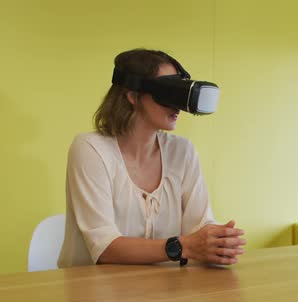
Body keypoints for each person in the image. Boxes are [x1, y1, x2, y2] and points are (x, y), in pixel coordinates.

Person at [58, 49, 246, 268]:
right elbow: (105, 247)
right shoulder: (90, 149)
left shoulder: (182, 152)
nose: (177, 106)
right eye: (169, 93)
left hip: (163, 291)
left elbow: (199, 228)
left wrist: (217, 242)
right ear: (132, 95)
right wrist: (183, 247)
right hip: (94, 292)